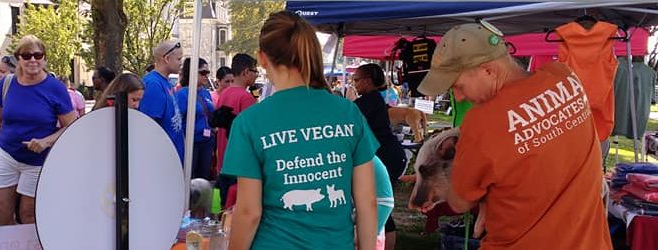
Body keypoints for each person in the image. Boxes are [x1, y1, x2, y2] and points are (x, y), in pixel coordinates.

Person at [417, 23, 611, 249]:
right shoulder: (564, 77)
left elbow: (460, 202)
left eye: (458, 86)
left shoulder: (482, 123)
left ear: (487, 70)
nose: (458, 97)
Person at [221, 11, 378, 250]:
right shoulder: (348, 113)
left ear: (262, 59)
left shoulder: (250, 122)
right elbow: (367, 202)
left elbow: (248, 211)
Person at [0, 35, 77, 226]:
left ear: (44, 58)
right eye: (26, 55)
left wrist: (46, 141)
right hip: (6, 154)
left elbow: (73, 126)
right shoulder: (7, 84)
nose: (32, 60)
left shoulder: (55, 88)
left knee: (29, 216)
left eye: (37, 55)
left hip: (38, 161)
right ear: (18, 58)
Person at [351, 63, 407, 249]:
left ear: (367, 81)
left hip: (386, 157)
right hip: (388, 155)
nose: (354, 84)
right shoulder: (373, 99)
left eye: (356, 80)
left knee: (382, 204)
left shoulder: (366, 102)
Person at [215, 53, 259, 208]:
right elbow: (253, 133)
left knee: (222, 207)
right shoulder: (246, 98)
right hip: (238, 164)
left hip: (223, 161)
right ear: (246, 72)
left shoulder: (224, 93)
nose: (256, 76)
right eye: (255, 72)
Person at [140, 40, 185, 161]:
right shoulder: (153, 84)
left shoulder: (166, 82)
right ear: (167, 58)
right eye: (179, 59)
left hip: (172, 156)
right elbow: (149, 126)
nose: (181, 63)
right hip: (163, 159)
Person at [176, 58, 216, 180]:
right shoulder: (182, 94)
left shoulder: (206, 93)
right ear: (192, 72)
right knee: (189, 179)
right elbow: (178, 121)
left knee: (204, 179)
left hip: (207, 143)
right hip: (191, 144)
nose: (206, 76)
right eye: (203, 72)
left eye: (207, 72)